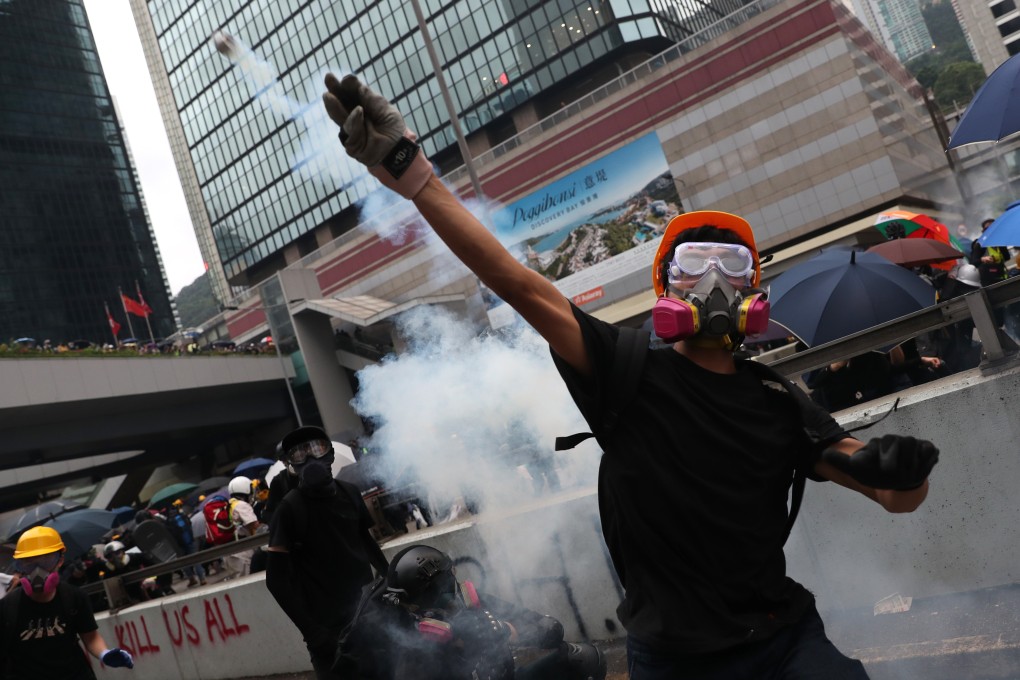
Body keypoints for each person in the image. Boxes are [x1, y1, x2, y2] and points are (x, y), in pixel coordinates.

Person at [320, 75, 940, 678]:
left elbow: (893, 496)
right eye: (696, 264)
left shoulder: (776, 399)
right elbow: (514, 280)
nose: (715, 281)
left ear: (755, 285)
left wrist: (901, 471)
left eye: (733, 264)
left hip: (783, 640)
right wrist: (413, 173)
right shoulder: (623, 368)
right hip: (675, 660)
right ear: (666, 284)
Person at [335, 544, 605, 680]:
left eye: (447, 583)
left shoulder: (473, 601)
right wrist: (457, 643)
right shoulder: (406, 645)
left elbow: (551, 629)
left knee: (584, 659)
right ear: (412, 607)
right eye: (436, 593)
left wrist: (505, 631)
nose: (449, 598)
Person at [266, 426, 390, 679]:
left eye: (316, 449)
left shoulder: (350, 493)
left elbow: (368, 545)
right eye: (299, 454)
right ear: (290, 464)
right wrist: (313, 633)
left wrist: (391, 583)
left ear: (330, 454)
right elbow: (275, 580)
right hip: (328, 631)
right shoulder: (289, 509)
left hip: (369, 616)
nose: (310, 459)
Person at [0, 527, 134, 678]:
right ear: (20, 566)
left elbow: (90, 637)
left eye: (45, 562)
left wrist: (104, 653)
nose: (37, 571)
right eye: (29, 564)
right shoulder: (8, 607)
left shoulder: (74, 597)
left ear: (60, 560)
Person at [224, 476, 261, 579]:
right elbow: (254, 525)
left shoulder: (230, 504)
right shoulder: (241, 505)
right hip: (242, 552)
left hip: (229, 553)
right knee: (249, 582)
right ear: (245, 489)